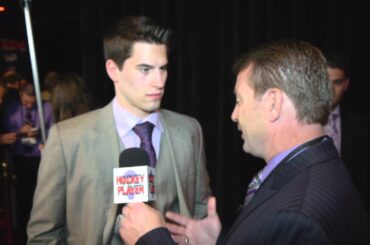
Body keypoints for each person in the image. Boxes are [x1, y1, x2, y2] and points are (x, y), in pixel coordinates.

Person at [119, 40, 370, 245]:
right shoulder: (321, 166)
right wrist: (220, 240)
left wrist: (151, 239)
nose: (234, 115)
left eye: (239, 100)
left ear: (273, 103)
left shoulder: (296, 215)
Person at [27, 16, 211, 244]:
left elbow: (200, 211)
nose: (159, 81)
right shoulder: (67, 139)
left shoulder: (189, 131)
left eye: (162, 69)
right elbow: (43, 235)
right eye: (145, 69)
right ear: (113, 70)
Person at [2, 82, 53, 244]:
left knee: (42, 197)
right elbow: (5, 131)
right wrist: (19, 132)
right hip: (20, 158)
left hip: (40, 158)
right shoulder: (11, 109)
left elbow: (53, 131)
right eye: (26, 102)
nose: (29, 105)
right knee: (23, 199)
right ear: (20, 96)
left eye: (32, 102)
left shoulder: (47, 108)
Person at [324, 53, 370, 210]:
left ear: (346, 84)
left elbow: (362, 174)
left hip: (346, 208)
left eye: (336, 82)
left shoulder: (359, 126)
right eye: (325, 82)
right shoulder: (299, 121)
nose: (330, 89)